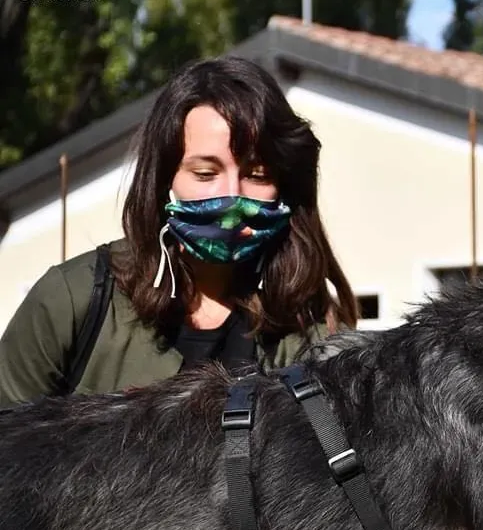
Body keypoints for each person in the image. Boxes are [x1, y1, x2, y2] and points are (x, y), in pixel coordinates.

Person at [0, 56, 358, 406]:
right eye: (205, 173)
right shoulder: (73, 302)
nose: (231, 198)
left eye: (256, 175)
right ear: (163, 181)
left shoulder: (313, 333)